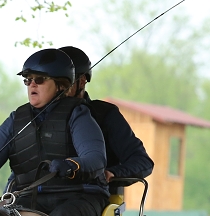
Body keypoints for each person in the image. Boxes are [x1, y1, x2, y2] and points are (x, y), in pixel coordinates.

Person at [0, 48, 107, 216]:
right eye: (27, 80)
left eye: (39, 79)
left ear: (60, 84)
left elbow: (96, 159)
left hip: (78, 199)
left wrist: (71, 165)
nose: (32, 84)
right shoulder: (16, 119)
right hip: (28, 200)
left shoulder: (78, 114)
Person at [58, 46, 154, 184]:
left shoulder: (105, 114)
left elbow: (142, 161)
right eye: (52, 81)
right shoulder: (32, 117)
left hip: (91, 196)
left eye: (65, 82)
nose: (59, 87)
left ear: (82, 80)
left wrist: (112, 173)